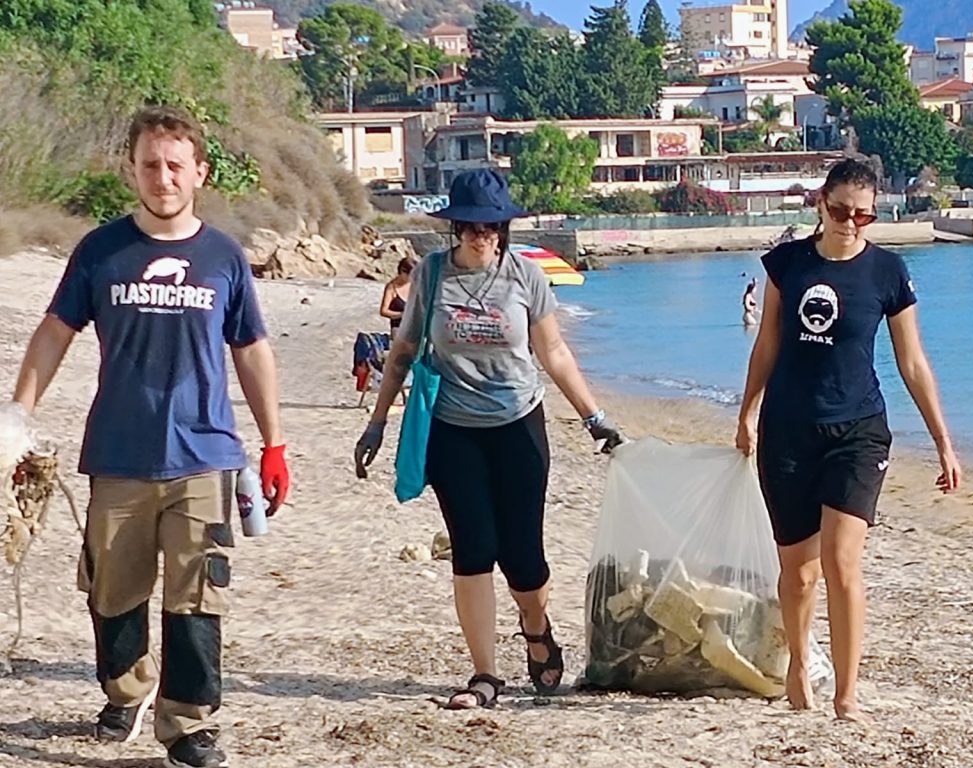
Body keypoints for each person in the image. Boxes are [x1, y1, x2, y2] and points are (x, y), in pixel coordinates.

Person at [9, 105, 289, 768]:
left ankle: (188, 725)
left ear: (200, 171)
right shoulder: (102, 250)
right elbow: (55, 331)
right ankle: (125, 691)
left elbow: (251, 348)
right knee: (112, 592)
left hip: (204, 454)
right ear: (132, 170)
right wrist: (18, 412)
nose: (162, 178)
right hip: (119, 453)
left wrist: (274, 443)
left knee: (197, 595)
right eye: (150, 165)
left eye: (174, 165)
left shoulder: (223, 256)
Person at [353, 169, 622, 709]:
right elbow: (403, 351)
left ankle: (535, 623)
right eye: (471, 225)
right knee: (473, 549)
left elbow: (555, 354)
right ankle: (484, 675)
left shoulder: (525, 277)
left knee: (523, 556)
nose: (481, 234)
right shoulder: (430, 276)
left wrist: (595, 420)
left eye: (491, 225)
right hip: (453, 432)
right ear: (456, 226)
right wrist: (377, 422)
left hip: (519, 426)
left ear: (503, 227)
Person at [735, 158, 961, 722]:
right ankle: (795, 661)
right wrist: (746, 412)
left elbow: (912, 361)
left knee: (841, 563)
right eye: (841, 211)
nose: (851, 223)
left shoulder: (887, 273)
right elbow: (767, 345)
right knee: (800, 571)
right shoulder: (787, 264)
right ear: (821, 204)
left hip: (858, 430)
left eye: (864, 215)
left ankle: (846, 693)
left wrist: (943, 441)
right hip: (788, 429)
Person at [379, 256, 416, 340]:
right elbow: (383, 311)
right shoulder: (391, 288)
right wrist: (401, 315)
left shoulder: (414, 285)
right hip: (398, 328)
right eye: (410, 276)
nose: (412, 279)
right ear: (402, 271)